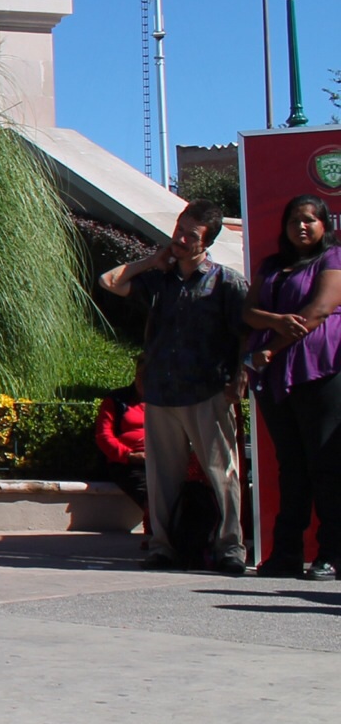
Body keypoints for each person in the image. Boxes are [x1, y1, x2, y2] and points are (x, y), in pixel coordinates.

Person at [100, 202, 248, 573]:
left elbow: (245, 333)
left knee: (222, 473)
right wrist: (152, 261)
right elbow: (110, 281)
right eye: (179, 230)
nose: (180, 240)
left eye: (191, 236)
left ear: (206, 242)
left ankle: (230, 546)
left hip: (207, 391)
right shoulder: (160, 279)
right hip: (162, 393)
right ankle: (162, 546)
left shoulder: (226, 282)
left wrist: (239, 377)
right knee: (162, 477)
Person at [243, 195, 341, 579]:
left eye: (309, 220)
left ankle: (331, 554)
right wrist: (274, 320)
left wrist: (269, 347)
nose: (301, 227)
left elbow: (318, 310)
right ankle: (285, 553)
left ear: (323, 226)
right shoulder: (271, 265)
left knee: (326, 465)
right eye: (293, 221)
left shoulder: (332, 258)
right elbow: (247, 311)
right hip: (274, 376)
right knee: (292, 467)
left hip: (319, 371)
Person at [94, 369, 147, 535]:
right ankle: (160, 543)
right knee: (153, 499)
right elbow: (104, 436)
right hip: (128, 465)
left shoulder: (166, 399)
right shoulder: (117, 400)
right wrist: (129, 456)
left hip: (163, 460)